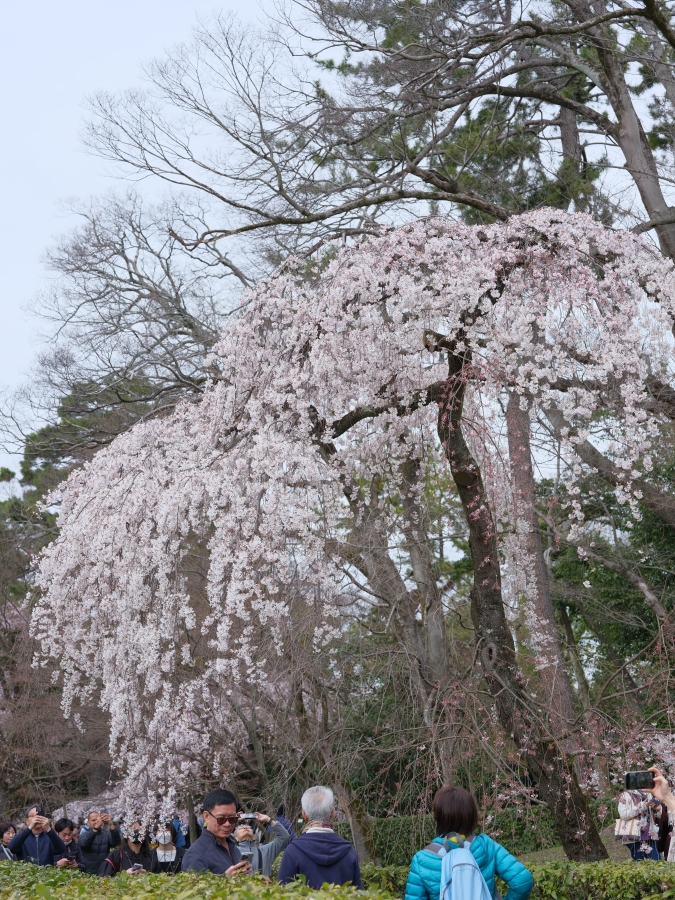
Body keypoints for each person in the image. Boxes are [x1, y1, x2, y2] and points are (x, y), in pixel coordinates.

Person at [404, 786, 533, 900]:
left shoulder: (422, 860)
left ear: (438, 819)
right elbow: (522, 880)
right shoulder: (486, 845)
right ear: (472, 816)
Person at [278, 786, 361, 889]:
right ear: (332, 812)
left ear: (304, 815)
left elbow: (282, 893)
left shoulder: (293, 851)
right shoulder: (349, 852)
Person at [181, 788, 251, 876]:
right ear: (206, 816)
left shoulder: (233, 846)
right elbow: (193, 888)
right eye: (221, 819)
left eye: (232, 819)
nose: (227, 824)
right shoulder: (196, 855)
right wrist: (225, 878)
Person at [234, 811, 289, 877]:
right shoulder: (230, 852)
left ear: (253, 837)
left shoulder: (265, 851)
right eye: (241, 828)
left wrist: (268, 820)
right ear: (235, 838)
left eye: (249, 827)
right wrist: (232, 821)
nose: (245, 828)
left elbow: (284, 837)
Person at [617, 782, 663, 860]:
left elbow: (654, 815)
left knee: (657, 860)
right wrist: (642, 806)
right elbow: (623, 815)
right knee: (639, 862)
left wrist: (657, 810)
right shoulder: (625, 795)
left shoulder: (648, 794)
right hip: (634, 834)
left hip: (649, 833)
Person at [79, 809, 122, 875]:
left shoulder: (106, 835)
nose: (96, 822)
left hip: (104, 871)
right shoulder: (83, 835)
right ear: (88, 823)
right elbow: (85, 844)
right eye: (93, 820)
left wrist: (111, 825)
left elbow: (116, 842)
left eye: (98, 820)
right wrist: (95, 829)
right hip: (88, 872)